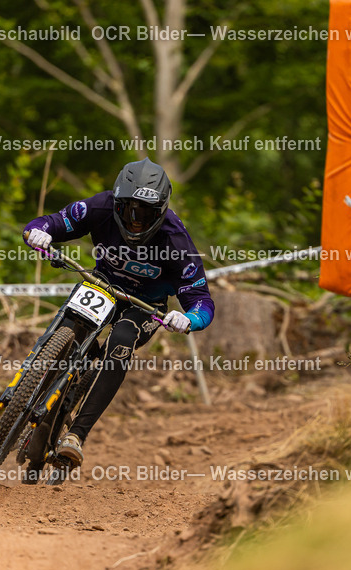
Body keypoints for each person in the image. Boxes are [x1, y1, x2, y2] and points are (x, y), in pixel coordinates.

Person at [21, 158, 214, 472]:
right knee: (73, 322)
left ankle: (77, 435)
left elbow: (202, 301)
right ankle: (33, 387)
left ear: (161, 212)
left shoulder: (176, 240)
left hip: (145, 305)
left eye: (146, 214)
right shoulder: (99, 206)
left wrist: (189, 319)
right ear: (116, 203)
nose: (136, 222)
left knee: (122, 339)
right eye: (128, 210)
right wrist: (38, 233)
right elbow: (50, 222)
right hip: (104, 285)